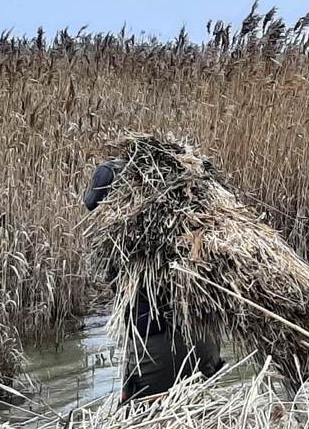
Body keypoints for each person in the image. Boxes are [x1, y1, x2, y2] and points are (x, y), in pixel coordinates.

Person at [84, 159, 223, 403]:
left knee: (139, 427)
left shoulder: (126, 239)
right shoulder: (196, 226)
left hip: (156, 347)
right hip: (205, 339)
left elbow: (91, 203)